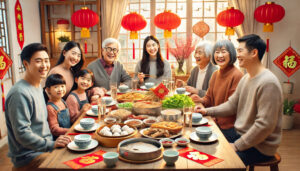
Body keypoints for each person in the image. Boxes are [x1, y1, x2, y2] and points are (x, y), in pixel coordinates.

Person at [195, 34, 283, 166]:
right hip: (241, 134)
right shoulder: (247, 78)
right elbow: (232, 105)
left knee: (216, 159)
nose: (237, 55)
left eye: (240, 51)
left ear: (254, 53)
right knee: (202, 145)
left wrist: (236, 146)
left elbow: (264, 126)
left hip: (260, 146)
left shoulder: (268, 82)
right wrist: (206, 111)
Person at [5, 43, 71, 170]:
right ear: (26, 64)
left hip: (44, 149)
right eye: (38, 61)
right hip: (30, 157)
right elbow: (22, 134)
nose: (44, 65)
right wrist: (51, 144)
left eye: (46, 61)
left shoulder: (37, 88)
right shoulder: (19, 93)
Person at [191, 40, 243, 137]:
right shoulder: (216, 74)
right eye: (217, 52)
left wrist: (208, 112)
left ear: (231, 53)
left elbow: (231, 107)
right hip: (215, 122)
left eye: (223, 51)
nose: (219, 55)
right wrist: (201, 100)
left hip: (229, 128)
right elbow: (209, 98)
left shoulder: (237, 75)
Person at [45, 74, 71, 139]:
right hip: (59, 139)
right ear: (48, 90)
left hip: (68, 134)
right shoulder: (50, 107)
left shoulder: (63, 101)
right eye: (56, 87)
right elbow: (54, 129)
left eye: (62, 86)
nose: (60, 89)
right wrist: (70, 130)